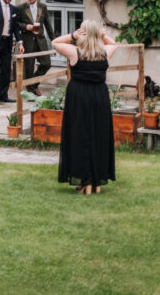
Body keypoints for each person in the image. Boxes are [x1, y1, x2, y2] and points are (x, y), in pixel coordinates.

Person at [51, 19, 119, 195]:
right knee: (98, 136)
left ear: (82, 33)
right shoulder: (105, 52)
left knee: (79, 135)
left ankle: (85, 180)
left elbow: (55, 42)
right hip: (99, 96)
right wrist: (103, 35)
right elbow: (114, 44)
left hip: (79, 97)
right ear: (97, 34)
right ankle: (95, 181)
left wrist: (73, 35)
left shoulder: (75, 52)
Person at [17, 0, 55, 96]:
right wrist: (25, 26)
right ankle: (31, 92)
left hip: (41, 40)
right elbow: (16, 24)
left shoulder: (43, 6)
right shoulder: (20, 7)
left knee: (46, 64)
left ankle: (33, 85)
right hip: (27, 40)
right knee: (29, 67)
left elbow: (48, 24)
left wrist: (53, 40)